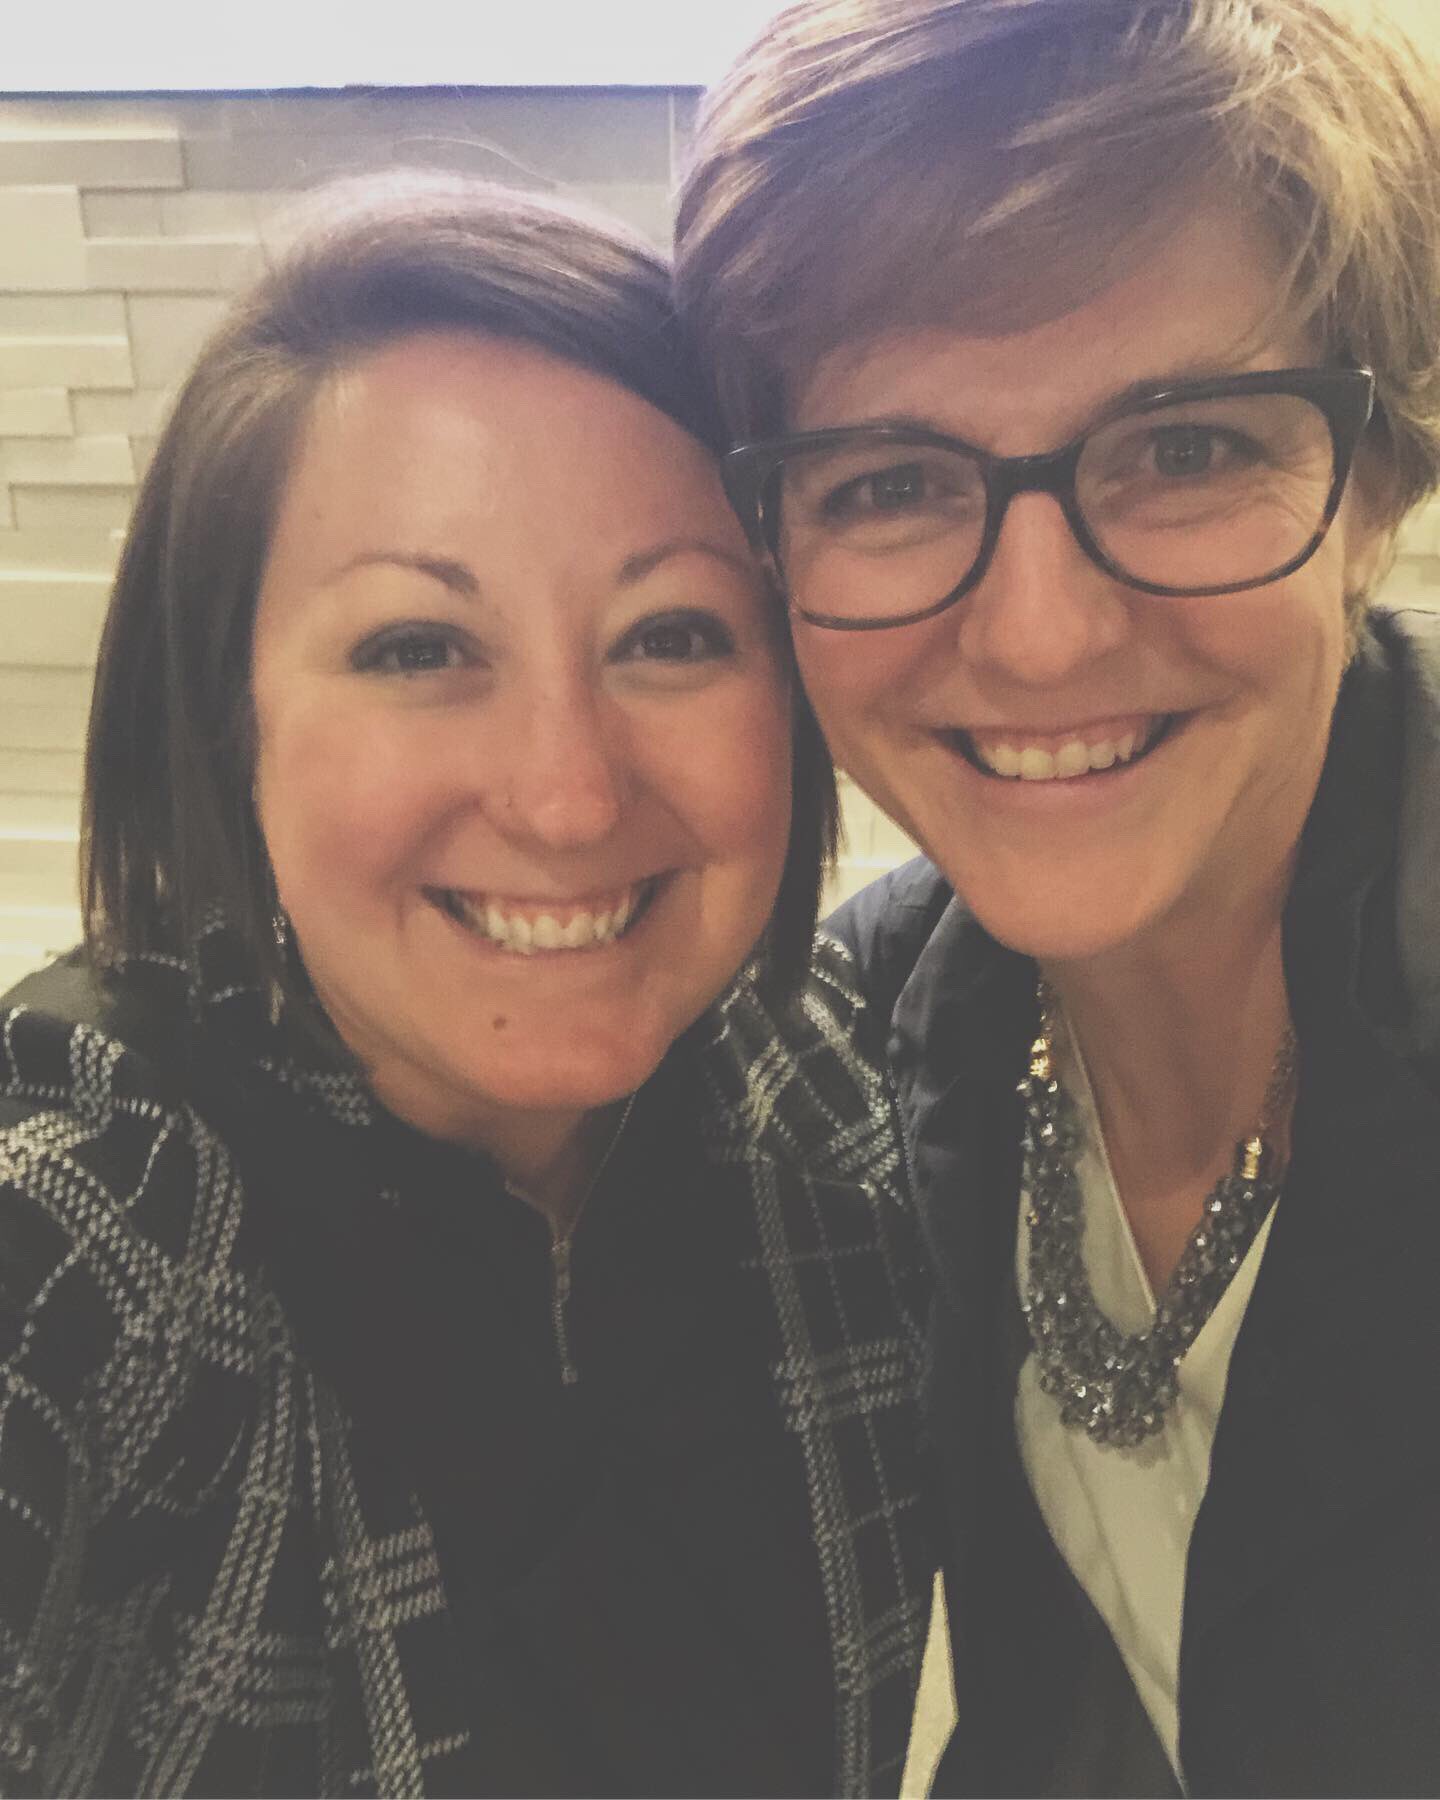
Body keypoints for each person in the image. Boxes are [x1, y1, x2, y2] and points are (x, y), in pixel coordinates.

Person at [0, 175, 933, 1798]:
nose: (567, 798)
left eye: (671, 636)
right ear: (228, 718)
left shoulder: (848, 1110)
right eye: (418, 649)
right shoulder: (90, 1217)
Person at [675, 0, 1440, 1792]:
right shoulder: (867, 1031)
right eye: (891, 483)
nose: (1037, 635)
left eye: (1187, 450)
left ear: (1378, 484)